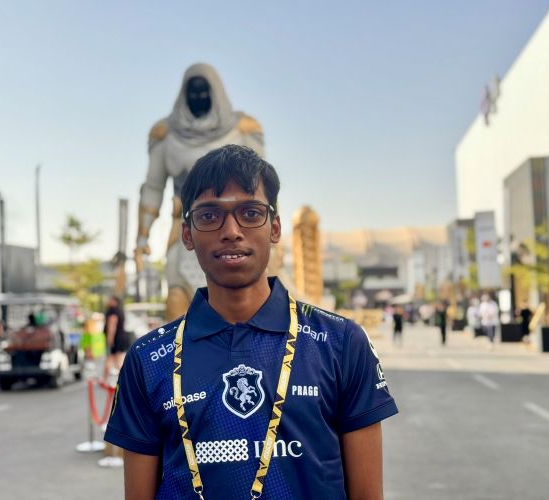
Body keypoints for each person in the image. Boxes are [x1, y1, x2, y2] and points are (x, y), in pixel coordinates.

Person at [105, 145, 398, 499]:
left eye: (250, 212)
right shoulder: (148, 359)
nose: (231, 230)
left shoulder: (341, 342)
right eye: (209, 215)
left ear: (274, 227)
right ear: (187, 235)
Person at [134, 63, 265, 321]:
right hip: (186, 231)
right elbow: (153, 189)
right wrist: (142, 237)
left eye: (204, 92)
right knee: (177, 299)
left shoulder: (243, 130)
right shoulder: (166, 135)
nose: (198, 98)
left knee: (244, 304)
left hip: (238, 231)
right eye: (192, 93)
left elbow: (263, 189)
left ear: (215, 92)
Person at [104, 295, 130, 378]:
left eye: (110, 300)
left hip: (116, 339)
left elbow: (112, 325)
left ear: (115, 302)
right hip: (120, 338)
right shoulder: (120, 311)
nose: (108, 301)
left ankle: (106, 379)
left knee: (113, 359)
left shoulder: (113, 311)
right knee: (117, 360)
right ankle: (124, 379)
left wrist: (110, 338)